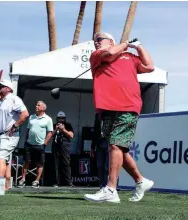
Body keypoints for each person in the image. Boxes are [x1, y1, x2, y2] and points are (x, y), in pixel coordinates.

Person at [84, 32, 155, 203]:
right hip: (107, 109)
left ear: (111, 41)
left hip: (128, 106)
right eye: (95, 41)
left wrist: (137, 46)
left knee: (115, 144)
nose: (96, 43)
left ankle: (111, 189)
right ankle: (140, 181)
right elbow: (109, 54)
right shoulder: (97, 56)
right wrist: (124, 44)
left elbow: (149, 66)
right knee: (119, 148)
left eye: (100, 39)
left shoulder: (129, 57)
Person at [0, 79, 29, 191]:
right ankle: (6, 187)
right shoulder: (0, 101)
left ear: (8, 88)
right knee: (5, 161)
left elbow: (25, 114)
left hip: (8, 136)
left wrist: (15, 126)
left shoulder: (14, 99)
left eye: (0, 85)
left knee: (0, 158)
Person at [18, 101, 53, 188]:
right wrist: (26, 140)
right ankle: (23, 179)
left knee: (39, 163)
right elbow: (28, 130)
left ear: (43, 108)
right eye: (36, 104)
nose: (36, 106)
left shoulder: (48, 119)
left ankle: (36, 181)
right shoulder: (31, 117)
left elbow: (50, 133)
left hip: (40, 145)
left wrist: (44, 144)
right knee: (26, 161)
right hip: (29, 144)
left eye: (38, 105)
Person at [51, 111, 74, 187]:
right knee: (56, 164)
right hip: (56, 145)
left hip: (65, 145)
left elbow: (71, 135)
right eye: (59, 118)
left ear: (65, 119)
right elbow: (50, 135)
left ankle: (69, 182)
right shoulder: (54, 125)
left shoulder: (68, 125)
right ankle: (56, 182)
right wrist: (56, 129)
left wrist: (63, 130)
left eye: (62, 118)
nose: (60, 120)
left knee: (66, 163)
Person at [90, 112, 109, 189]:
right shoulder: (98, 114)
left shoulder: (111, 113)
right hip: (99, 143)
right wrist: (92, 147)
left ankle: (106, 186)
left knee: (107, 166)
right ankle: (101, 186)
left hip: (108, 142)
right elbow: (95, 130)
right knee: (100, 165)